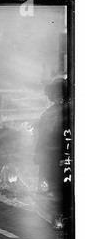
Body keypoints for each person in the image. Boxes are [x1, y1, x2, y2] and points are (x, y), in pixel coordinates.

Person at [34, 78, 71, 228]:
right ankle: (54, 217)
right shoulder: (49, 114)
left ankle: (59, 217)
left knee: (58, 187)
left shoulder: (68, 112)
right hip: (52, 157)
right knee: (52, 187)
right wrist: (37, 153)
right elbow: (42, 136)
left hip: (59, 156)